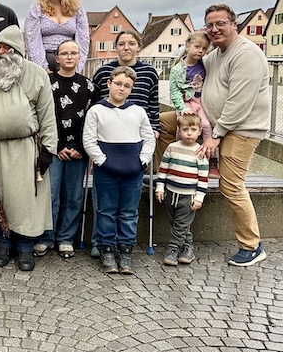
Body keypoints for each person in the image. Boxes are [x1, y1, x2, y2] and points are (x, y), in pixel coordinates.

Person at [0, 26, 57, 271]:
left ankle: (25, 247)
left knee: (26, 201)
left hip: (27, 148)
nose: (1, 52)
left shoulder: (37, 74)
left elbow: (47, 115)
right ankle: (3, 244)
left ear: (18, 49)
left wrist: (48, 150)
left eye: (6, 47)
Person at [197, 4, 270, 267]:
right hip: (216, 126)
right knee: (165, 123)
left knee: (231, 185)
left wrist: (215, 135)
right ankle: (168, 173)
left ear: (234, 24)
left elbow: (239, 103)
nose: (214, 29)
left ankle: (252, 246)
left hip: (241, 129)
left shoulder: (246, 54)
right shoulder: (215, 54)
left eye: (220, 23)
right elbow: (189, 67)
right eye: (210, 25)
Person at [91, 30, 159, 256]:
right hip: (108, 141)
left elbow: (153, 104)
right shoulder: (103, 72)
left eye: (131, 43)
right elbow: (95, 103)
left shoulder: (149, 73)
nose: (126, 47)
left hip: (135, 140)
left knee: (129, 204)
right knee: (104, 202)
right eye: (121, 43)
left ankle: (125, 245)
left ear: (139, 46)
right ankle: (102, 242)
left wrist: (154, 131)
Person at [83, 66, 155, 275]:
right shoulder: (96, 111)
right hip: (106, 170)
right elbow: (89, 140)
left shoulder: (138, 111)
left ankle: (125, 251)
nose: (121, 89)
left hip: (133, 170)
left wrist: (142, 161)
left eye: (127, 86)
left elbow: (149, 139)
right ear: (109, 83)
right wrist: (102, 161)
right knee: (106, 211)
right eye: (118, 84)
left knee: (128, 213)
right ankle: (106, 249)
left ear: (131, 89)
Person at [34, 39, 97, 259]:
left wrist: (82, 147)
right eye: (64, 53)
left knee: (74, 195)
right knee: (50, 195)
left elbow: (92, 120)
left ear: (79, 57)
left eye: (73, 53)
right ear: (57, 58)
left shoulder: (89, 87)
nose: (69, 56)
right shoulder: (47, 83)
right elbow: (42, 116)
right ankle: (46, 237)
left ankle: (65, 238)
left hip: (79, 149)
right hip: (53, 147)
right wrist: (57, 145)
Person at [155, 113, 209, 266]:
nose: (189, 133)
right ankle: (188, 247)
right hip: (171, 193)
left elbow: (203, 178)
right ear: (179, 130)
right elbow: (163, 169)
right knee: (177, 223)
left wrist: (199, 198)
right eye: (185, 130)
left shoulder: (200, 152)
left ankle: (173, 249)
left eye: (193, 130)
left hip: (188, 196)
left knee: (180, 224)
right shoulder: (172, 148)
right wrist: (160, 188)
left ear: (199, 131)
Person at [24, 0, 89, 73]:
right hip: (44, 61)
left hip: (69, 61)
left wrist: (76, 68)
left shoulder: (77, 9)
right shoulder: (36, 9)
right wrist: (42, 68)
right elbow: (32, 40)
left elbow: (83, 40)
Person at [168, 31, 212, 140]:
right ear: (187, 46)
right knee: (184, 126)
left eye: (204, 48)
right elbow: (174, 91)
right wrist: (182, 108)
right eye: (197, 47)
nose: (200, 51)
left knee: (206, 125)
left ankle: (208, 149)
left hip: (200, 102)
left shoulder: (204, 64)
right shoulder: (177, 70)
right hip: (186, 103)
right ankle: (180, 147)